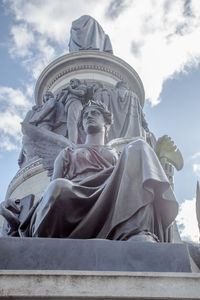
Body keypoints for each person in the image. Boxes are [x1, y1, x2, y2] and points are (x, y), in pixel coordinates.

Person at [1, 101, 178, 242]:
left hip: (110, 197)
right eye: (85, 115)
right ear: (81, 125)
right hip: (75, 197)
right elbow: (50, 190)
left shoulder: (117, 153)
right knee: (58, 187)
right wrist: (21, 215)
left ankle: (135, 231)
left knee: (139, 146)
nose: (89, 117)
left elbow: (130, 183)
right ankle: (46, 237)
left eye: (95, 113)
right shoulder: (67, 152)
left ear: (107, 122)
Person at [57, 78, 88, 144]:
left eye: (72, 81)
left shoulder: (81, 86)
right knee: (69, 124)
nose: (71, 83)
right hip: (68, 106)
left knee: (72, 123)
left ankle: (72, 143)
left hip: (75, 103)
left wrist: (70, 90)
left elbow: (81, 93)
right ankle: (72, 141)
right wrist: (65, 92)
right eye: (70, 82)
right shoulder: (70, 91)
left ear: (77, 82)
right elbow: (61, 100)